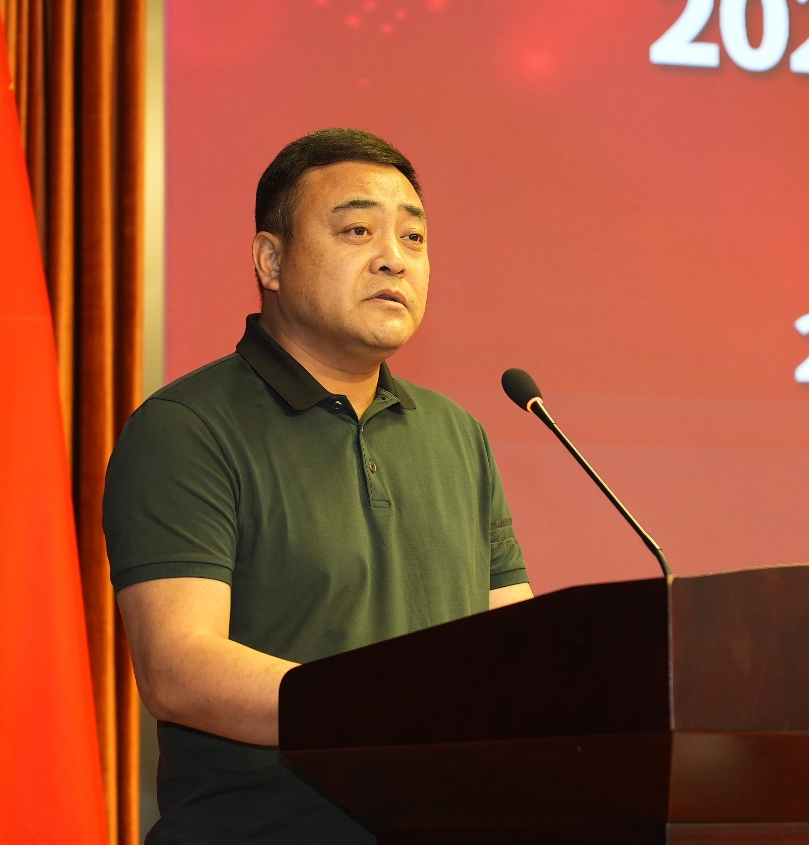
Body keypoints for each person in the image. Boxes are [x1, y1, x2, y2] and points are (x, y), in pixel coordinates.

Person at [103, 128, 533, 844]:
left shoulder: (459, 435)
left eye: (414, 237)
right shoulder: (186, 429)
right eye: (358, 230)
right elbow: (178, 668)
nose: (394, 257)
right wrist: (391, 715)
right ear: (271, 261)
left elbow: (515, 652)